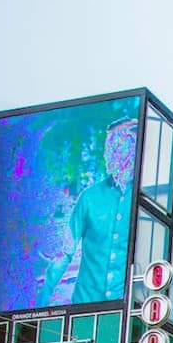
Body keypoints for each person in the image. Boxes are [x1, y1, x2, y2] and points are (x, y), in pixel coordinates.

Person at [39, 117, 138, 305]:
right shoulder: (89, 197)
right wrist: (44, 297)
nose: (108, 153)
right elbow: (66, 251)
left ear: (133, 149)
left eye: (116, 146)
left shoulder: (143, 200)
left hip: (122, 308)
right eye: (108, 147)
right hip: (84, 306)